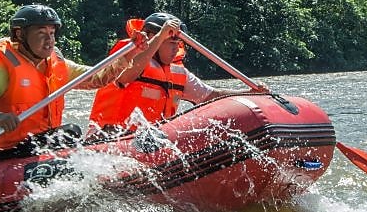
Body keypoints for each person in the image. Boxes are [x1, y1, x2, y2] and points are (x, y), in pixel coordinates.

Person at [0, 4, 165, 157]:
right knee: (70, 132)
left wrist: (129, 55)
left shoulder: (56, 63)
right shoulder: (0, 68)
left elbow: (97, 79)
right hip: (7, 153)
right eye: (41, 32)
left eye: (52, 32)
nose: (49, 39)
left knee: (80, 135)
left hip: (43, 146)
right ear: (20, 34)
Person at [88, 12, 267, 133]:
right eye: (170, 43)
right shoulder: (128, 55)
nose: (175, 49)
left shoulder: (177, 71)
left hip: (149, 143)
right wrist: (160, 37)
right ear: (154, 40)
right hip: (110, 136)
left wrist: (249, 93)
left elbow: (210, 95)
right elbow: (127, 76)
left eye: (177, 44)